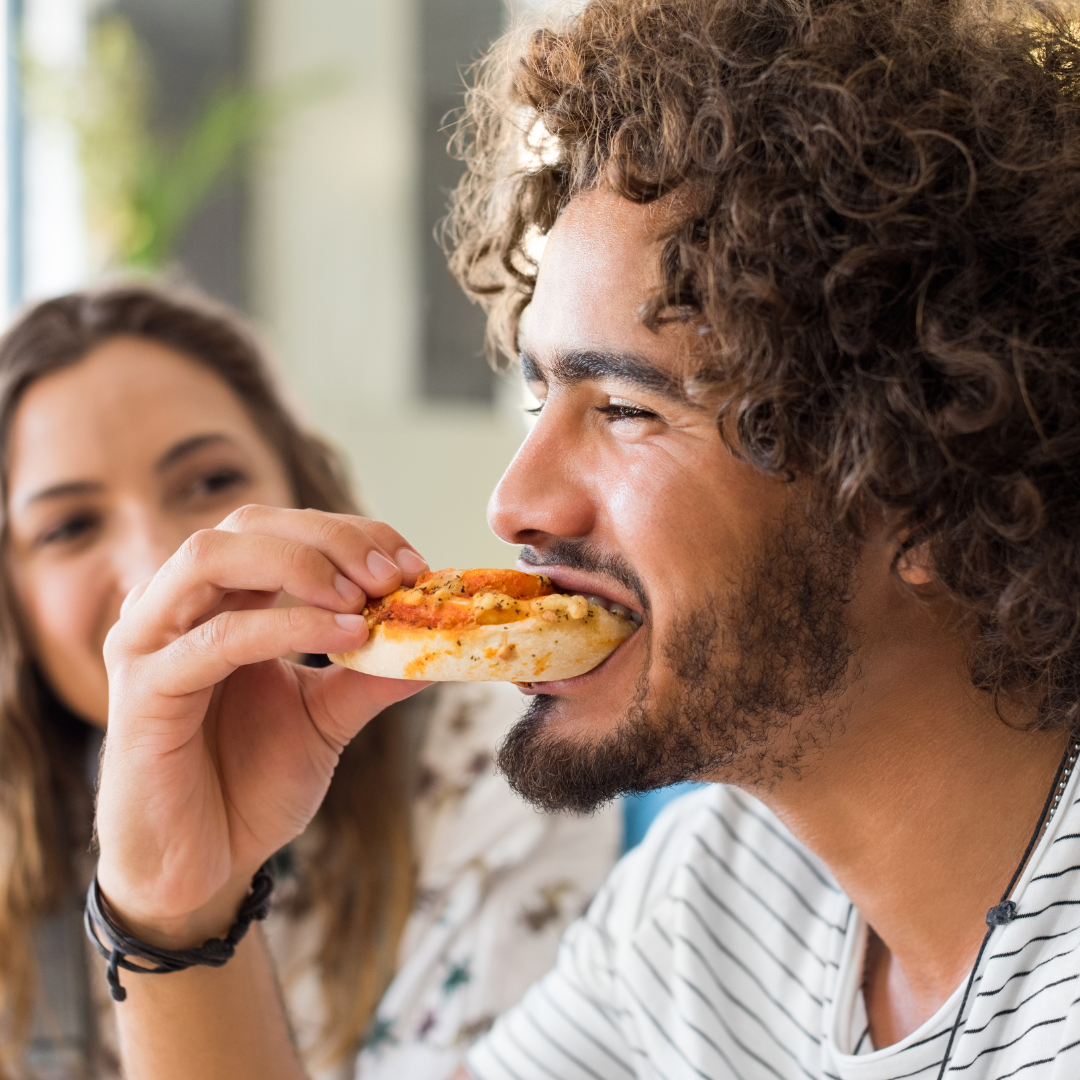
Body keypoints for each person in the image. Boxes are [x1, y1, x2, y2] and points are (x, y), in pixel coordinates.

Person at [86, 0, 1080, 1077]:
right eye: (540, 397)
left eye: (625, 409)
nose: (514, 503)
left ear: (926, 478)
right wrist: (179, 913)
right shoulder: (717, 901)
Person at [0, 283, 619, 1080]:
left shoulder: (507, 768)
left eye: (207, 481)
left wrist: (185, 919)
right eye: (70, 526)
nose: (161, 559)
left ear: (300, 492)